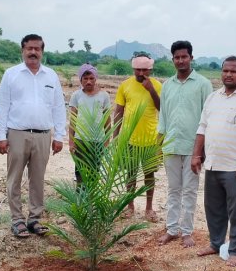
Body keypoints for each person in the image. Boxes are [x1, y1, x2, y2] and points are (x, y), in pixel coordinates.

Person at [192, 57, 236, 267]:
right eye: (225, 71)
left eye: (233, 71)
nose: (228, 75)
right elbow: (202, 127)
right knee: (213, 207)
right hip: (213, 163)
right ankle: (215, 243)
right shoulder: (213, 98)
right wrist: (197, 155)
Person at [0, 34, 66, 238]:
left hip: (43, 136)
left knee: (37, 179)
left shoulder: (51, 76)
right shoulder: (11, 74)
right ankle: (17, 220)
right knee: (14, 178)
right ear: (22, 51)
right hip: (17, 133)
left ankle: (34, 218)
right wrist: (1, 135)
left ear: (42, 51)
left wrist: (59, 136)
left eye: (37, 49)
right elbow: (2, 105)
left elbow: (58, 107)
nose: (33, 52)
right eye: (29, 48)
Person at [157, 40, 212, 247]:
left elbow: (207, 117)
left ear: (191, 58)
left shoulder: (203, 84)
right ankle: (171, 229)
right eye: (177, 57)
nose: (181, 60)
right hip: (170, 146)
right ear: (173, 60)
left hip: (192, 147)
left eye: (184, 57)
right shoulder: (167, 85)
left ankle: (187, 231)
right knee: (173, 189)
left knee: (189, 190)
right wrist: (159, 143)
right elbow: (163, 116)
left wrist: (202, 149)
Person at [113, 53, 162, 222]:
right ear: (133, 69)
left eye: (145, 70)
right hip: (130, 139)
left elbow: (161, 108)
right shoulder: (125, 85)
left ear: (150, 69)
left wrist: (151, 90)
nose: (141, 73)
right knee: (131, 175)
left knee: (149, 175)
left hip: (150, 139)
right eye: (138, 70)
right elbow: (118, 112)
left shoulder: (157, 85)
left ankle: (149, 208)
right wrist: (115, 137)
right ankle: (130, 206)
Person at [68, 63, 111, 185]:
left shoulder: (104, 96)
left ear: (95, 79)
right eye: (85, 79)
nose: (88, 82)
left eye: (91, 78)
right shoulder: (76, 95)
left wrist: (107, 141)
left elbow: (107, 121)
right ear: (80, 80)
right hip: (80, 140)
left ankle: (92, 200)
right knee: (80, 171)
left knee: (94, 172)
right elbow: (73, 120)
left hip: (97, 141)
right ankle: (81, 200)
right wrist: (71, 141)